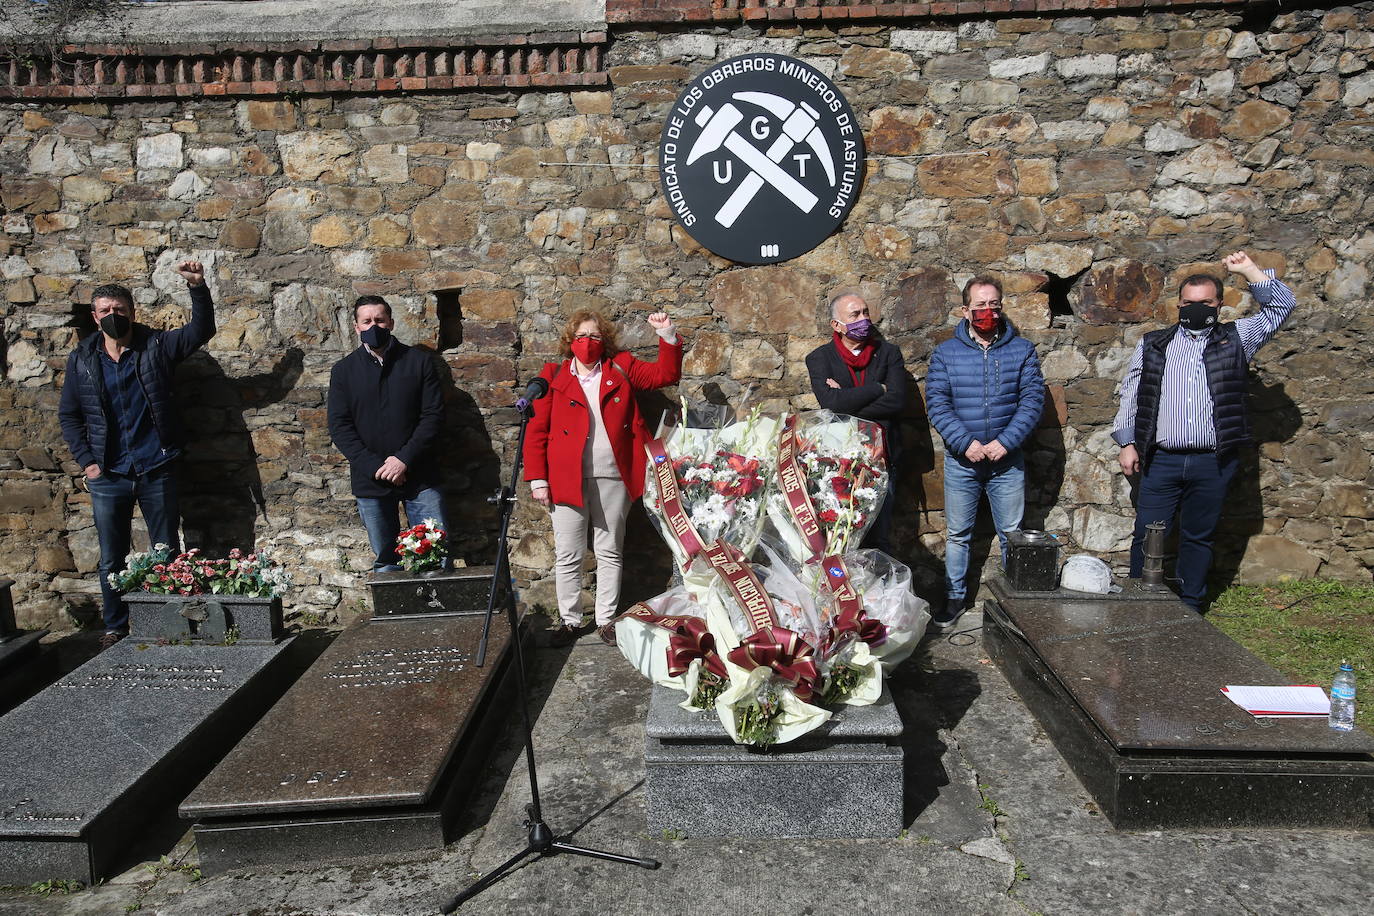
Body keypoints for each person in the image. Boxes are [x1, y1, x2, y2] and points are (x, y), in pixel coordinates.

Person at [1112, 251, 1295, 611]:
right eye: (1189, 303)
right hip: (1162, 459)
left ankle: (1190, 605)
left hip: (1213, 460)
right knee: (1148, 533)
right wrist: (1127, 441)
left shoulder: (1237, 338)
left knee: (1199, 536)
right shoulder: (1154, 344)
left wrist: (1250, 271)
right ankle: (1138, 602)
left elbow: (1280, 309)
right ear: (1179, 304)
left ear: (1219, 304)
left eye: (1205, 303)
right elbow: (1132, 392)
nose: (1197, 309)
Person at [58, 260, 216, 650]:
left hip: (155, 465)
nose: (114, 317)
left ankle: (171, 622)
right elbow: (70, 414)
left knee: (165, 549)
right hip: (108, 472)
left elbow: (201, 330)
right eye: (106, 312)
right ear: (95, 318)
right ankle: (116, 625)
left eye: (120, 310)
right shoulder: (82, 359)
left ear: (132, 312)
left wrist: (197, 287)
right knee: (112, 556)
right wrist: (88, 462)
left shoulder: (156, 346)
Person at [525, 310, 682, 647]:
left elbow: (666, 375)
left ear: (605, 341)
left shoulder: (622, 367)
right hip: (564, 477)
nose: (588, 342)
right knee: (568, 554)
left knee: (609, 550)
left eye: (595, 336)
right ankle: (569, 621)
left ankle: (606, 620)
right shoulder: (552, 375)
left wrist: (667, 334)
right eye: (581, 336)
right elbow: (537, 430)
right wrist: (538, 478)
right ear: (570, 341)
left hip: (612, 474)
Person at [926, 275, 1044, 629]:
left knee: (1012, 533)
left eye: (993, 304)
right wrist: (966, 444)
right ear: (965, 311)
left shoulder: (1021, 350)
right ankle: (955, 598)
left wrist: (1006, 442)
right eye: (980, 305)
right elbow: (937, 402)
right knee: (959, 533)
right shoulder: (946, 353)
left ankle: (1011, 601)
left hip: (1006, 461)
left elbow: (1032, 401)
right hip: (963, 461)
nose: (987, 311)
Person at [328, 295, 447, 571]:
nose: (374, 326)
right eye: (366, 321)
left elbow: (432, 416)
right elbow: (340, 426)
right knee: (386, 560)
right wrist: (376, 466)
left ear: (391, 323)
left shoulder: (418, 362)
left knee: (435, 556)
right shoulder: (344, 371)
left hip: (420, 476)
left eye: (379, 320)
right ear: (356, 327)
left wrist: (403, 459)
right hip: (371, 480)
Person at [805, 290, 908, 553]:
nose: (864, 319)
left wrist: (846, 396)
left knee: (880, 536)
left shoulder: (888, 353)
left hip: (883, 457)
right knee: (842, 536)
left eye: (865, 312)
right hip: (840, 461)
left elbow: (896, 402)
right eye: (855, 314)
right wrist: (878, 388)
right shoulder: (819, 358)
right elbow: (831, 404)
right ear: (837, 325)